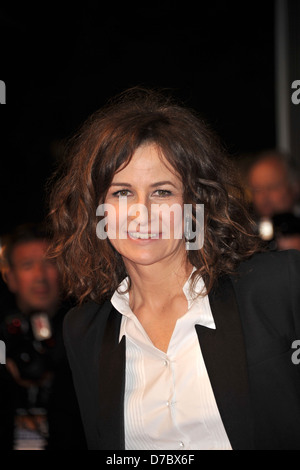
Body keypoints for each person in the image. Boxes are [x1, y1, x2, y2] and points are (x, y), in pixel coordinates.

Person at [48, 88, 300, 450]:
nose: (142, 212)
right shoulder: (84, 330)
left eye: (162, 192)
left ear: (195, 203)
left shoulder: (276, 285)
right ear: (96, 210)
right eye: (122, 192)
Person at [0, 223, 86, 450]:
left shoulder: (86, 334)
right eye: (28, 265)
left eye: (50, 263)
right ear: (10, 278)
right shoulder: (2, 338)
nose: (40, 276)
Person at [246, 150, 300, 250]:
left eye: (272, 187)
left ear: (295, 187)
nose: (264, 196)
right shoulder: (245, 231)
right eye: (257, 189)